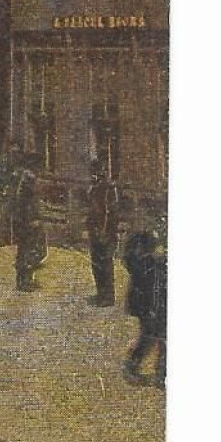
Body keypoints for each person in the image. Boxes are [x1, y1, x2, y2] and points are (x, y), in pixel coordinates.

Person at [122, 226, 166, 386]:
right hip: (147, 297)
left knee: (161, 335)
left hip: (159, 294)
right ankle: (133, 364)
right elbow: (130, 261)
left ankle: (162, 372)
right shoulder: (142, 234)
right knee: (150, 334)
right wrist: (151, 256)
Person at [86, 159, 122, 306]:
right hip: (96, 231)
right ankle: (101, 293)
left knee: (105, 264)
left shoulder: (108, 189)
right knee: (96, 264)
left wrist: (104, 232)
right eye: (93, 172)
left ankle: (108, 296)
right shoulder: (95, 188)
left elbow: (109, 212)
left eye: (98, 172)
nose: (95, 175)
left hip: (106, 232)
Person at [10, 154, 44, 292]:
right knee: (27, 251)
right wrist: (33, 219)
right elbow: (27, 204)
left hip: (23, 221)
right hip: (27, 222)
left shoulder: (24, 178)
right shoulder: (28, 180)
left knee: (26, 251)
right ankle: (24, 281)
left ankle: (25, 279)